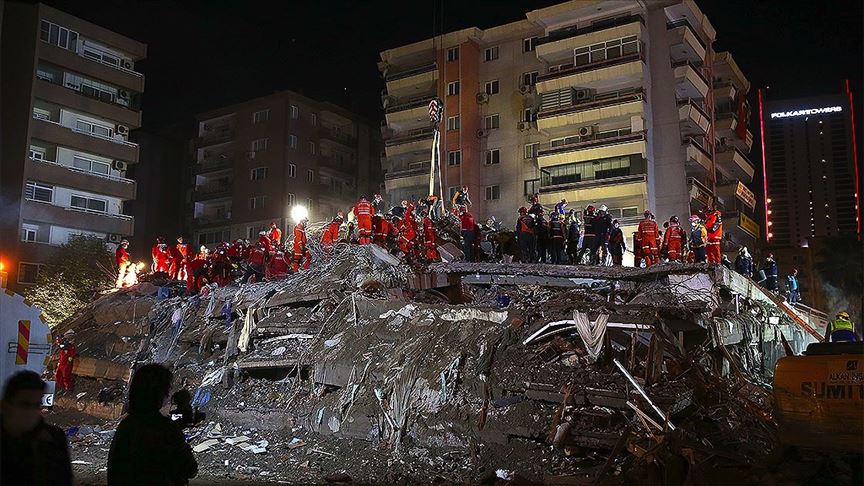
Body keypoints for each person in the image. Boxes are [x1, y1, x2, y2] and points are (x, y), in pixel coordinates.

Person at [107, 364, 197, 485]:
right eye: (166, 390)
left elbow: (115, 471)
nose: (168, 396)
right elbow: (190, 468)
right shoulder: (165, 428)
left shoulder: (126, 426)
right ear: (159, 393)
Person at [1, 370, 73, 486]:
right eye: (24, 404)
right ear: (5, 405)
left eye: (36, 405)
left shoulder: (54, 438)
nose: (30, 412)